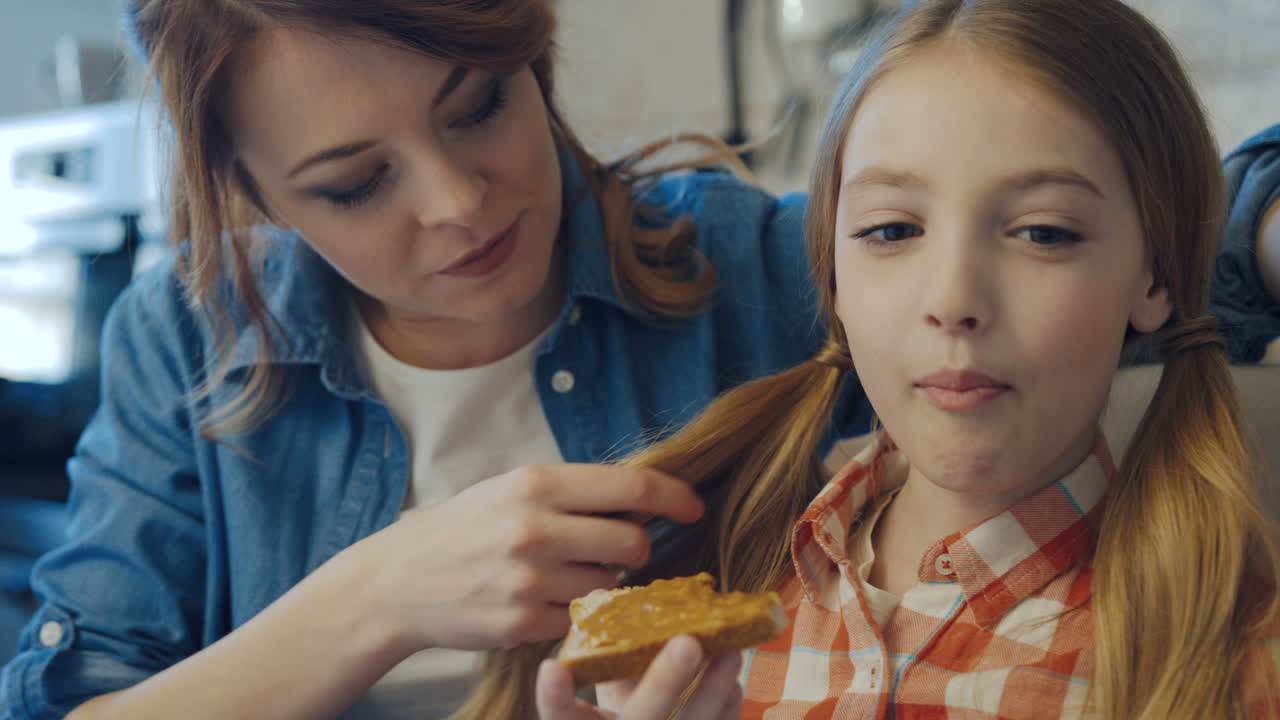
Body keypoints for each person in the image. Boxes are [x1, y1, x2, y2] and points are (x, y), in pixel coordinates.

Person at [0, 2, 880, 719]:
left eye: (479, 109)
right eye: (355, 183)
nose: (458, 203)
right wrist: (381, 595)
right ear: (252, 194)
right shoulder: (188, 341)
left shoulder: (743, 261)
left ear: (530, 53)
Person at [530, 1, 1280, 718]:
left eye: (1043, 233)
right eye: (891, 231)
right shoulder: (710, 611)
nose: (954, 298)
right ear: (833, 280)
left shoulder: (1236, 658)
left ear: (1153, 278)